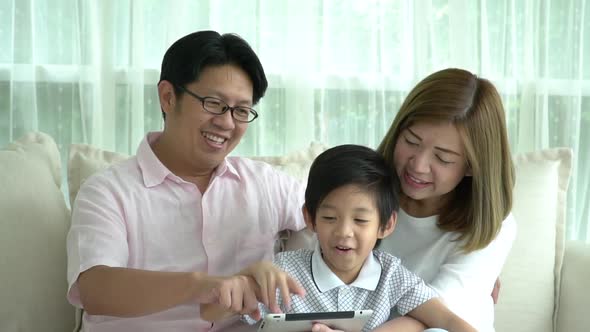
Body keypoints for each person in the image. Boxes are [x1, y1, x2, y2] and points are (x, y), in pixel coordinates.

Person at [66, 30, 306, 331]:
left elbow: (345, 219)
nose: (227, 122)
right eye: (213, 103)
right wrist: (201, 286)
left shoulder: (267, 185)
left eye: (241, 110)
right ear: (168, 97)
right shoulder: (108, 191)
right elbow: (95, 288)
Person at [201, 144, 477, 332]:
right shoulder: (285, 272)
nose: (344, 232)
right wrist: (233, 288)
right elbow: (208, 313)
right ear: (310, 219)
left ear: (386, 224)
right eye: (330, 218)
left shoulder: (392, 275)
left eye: (360, 220)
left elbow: (447, 319)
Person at [375, 68, 517, 332]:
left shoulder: (492, 225)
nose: (418, 166)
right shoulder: (365, 191)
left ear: (472, 167)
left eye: (443, 158)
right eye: (411, 141)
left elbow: (438, 315)